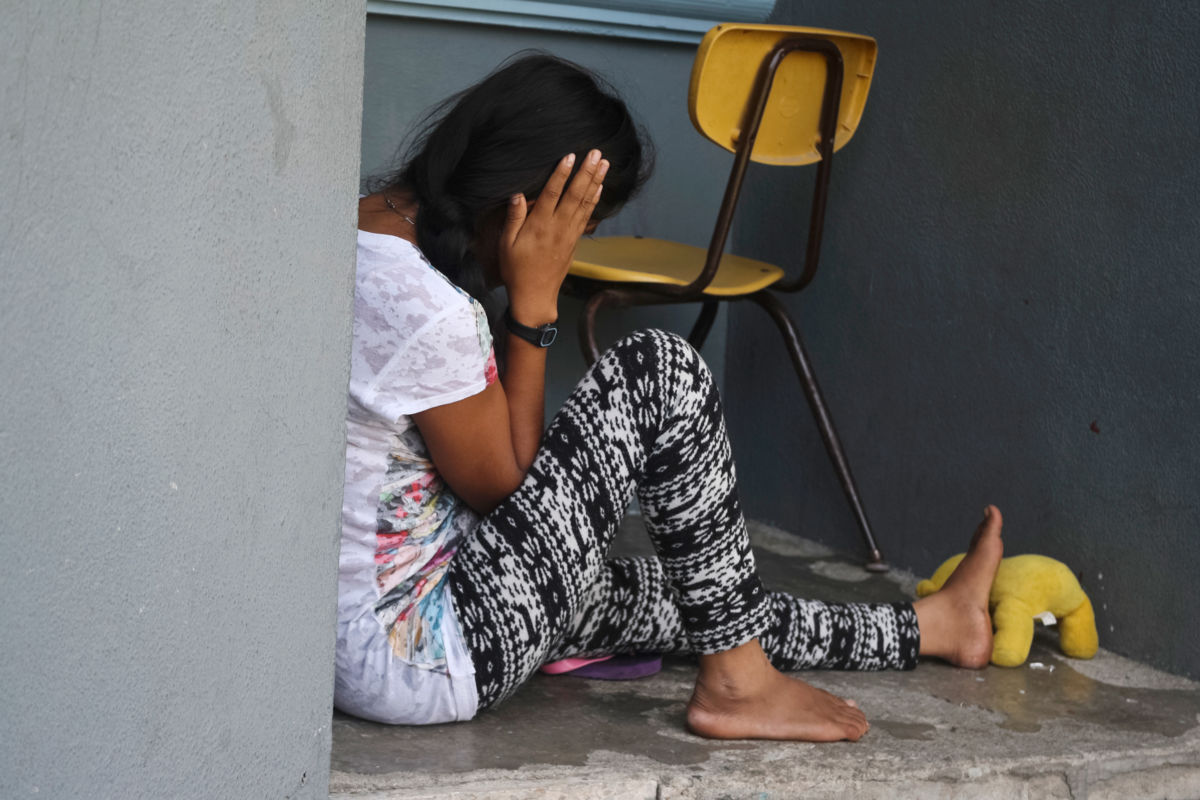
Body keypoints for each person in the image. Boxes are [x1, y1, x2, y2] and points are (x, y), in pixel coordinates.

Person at [336, 53, 1004, 742]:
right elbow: (509, 494)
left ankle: (934, 627)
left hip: (375, 624)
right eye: (581, 223)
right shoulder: (428, 310)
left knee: (698, 592)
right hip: (417, 653)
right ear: (528, 204)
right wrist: (533, 310)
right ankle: (739, 686)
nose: (577, 245)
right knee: (660, 370)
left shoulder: (354, 229)